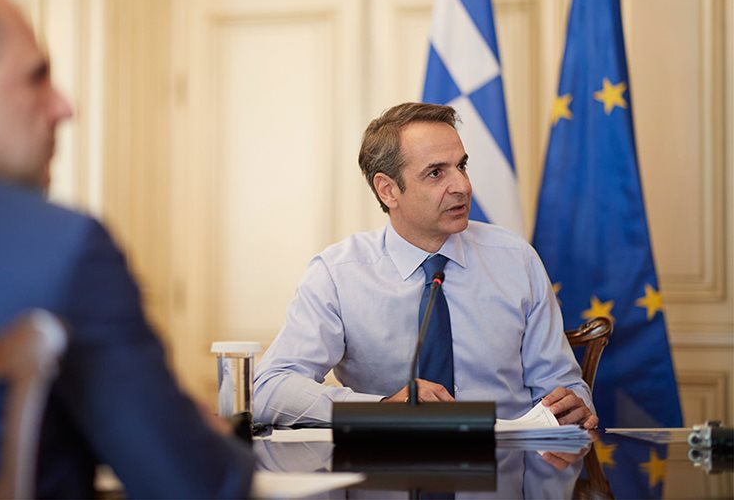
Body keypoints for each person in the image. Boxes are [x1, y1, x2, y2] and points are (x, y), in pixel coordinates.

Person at [0, 0, 253, 498]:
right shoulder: (64, 251)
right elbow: (197, 488)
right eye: (36, 78)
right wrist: (200, 433)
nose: (65, 106)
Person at [253, 102, 597, 430]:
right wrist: (382, 409)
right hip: (388, 467)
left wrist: (574, 403)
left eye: (461, 166)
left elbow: (562, 385)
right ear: (388, 190)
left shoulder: (516, 259)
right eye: (435, 173)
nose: (462, 186)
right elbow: (269, 389)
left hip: (507, 460)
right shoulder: (338, 273)